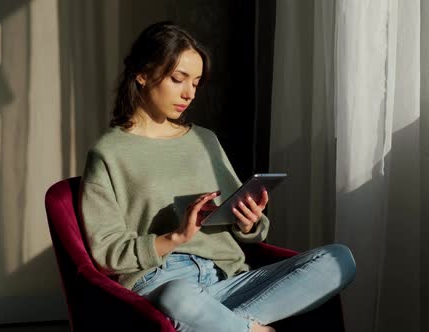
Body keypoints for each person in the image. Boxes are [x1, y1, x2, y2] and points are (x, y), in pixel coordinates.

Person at [80, 21, 356, 332]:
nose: (189, 94)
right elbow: (105, 254)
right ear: (142, 74)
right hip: (162, 284)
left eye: (196, 83)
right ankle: (247, 328)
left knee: (338, 259)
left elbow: (240, 223)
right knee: (179, 297)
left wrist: (249, 221)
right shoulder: (109, 152)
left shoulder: (204, 140)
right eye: (178, 79)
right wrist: (176, 237)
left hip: (228, 280)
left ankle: (226, 326)